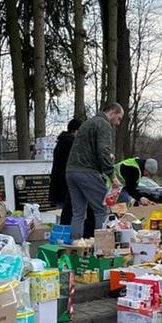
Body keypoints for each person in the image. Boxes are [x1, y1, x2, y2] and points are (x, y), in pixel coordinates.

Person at [66, 103, 124, 240]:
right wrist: (112, 176)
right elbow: (103, 151)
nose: (118, 123)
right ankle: (102, 247)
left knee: (78, 212)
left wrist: (105, 156)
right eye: (119, 118)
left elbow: (88, 149)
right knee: (101, 210)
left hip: (71, 171)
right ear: (113, 113)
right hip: (87, 172)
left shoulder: (87, 123)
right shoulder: (103, 124)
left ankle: (76, 246)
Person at [49, 118, 82, 225]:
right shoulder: (70, 143)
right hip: (65, 185)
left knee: (61, 213)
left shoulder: (62, 142)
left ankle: (60, 234)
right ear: (75, 130)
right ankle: (64, 236)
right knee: (67, 214)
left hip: (59, 184)